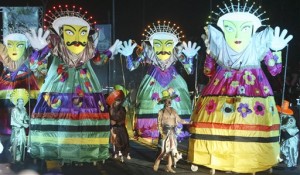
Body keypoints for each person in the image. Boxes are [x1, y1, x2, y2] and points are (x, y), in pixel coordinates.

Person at [188, 0, 293, 174]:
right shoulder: (218, 44)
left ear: (252, 29)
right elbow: (208, 70)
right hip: (222, 86)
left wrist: (276, 50)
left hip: (253, 87)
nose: (237, 34)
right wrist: (208, 54)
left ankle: (251, 159)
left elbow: (275, 70)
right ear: (222, 29)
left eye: (244, 28)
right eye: (229, 28)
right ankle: (219, 158)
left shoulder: (259, 44)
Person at [25, 4, 122, 164]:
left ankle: (85, 152)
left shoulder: (89, 48)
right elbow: (34, 64)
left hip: (87, 86)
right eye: (70, 31)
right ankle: (57, 151)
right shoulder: (54, 46)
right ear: (62, 33)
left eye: (82, 32)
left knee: (86, 120)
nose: (77, 38)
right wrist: (38, 51)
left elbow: (99, 60)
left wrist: (110, 51)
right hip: (58, 86)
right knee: (60, 119)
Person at [118, 20, 200, 141]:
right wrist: (128, 56)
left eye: (167, 44)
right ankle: (154, 133)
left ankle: (175, 131)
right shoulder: (148, 52)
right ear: (152, 44)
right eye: (157, 44)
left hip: (174, 80)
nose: (163, 49)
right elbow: (131, 67)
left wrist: (191, 58)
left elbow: (190, 70)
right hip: (152, 79)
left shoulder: (177, 52)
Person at [0, 24, 46, 135]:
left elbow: (39, 65)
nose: (14, 49)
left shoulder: (30, 65)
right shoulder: (5, 69)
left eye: (19, 45)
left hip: (26, 128)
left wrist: (39, 50)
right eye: (10, 45)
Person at [153, 88, 189, 173]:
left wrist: (188, 122)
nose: (169, 102)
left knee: (172, 150)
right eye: (167, 100)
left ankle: (169, 166)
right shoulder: (161, 112)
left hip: (172, 132)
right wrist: (162, 133)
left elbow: (179, 120)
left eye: (170, 100)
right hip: (165, 132)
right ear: (164, 102)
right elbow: (158, 124)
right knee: (164, 150)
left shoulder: (173, 110)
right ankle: (157, 163)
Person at [106, 89, 131, 162]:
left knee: (125, 140)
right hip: (114, 128)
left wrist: (116, 122)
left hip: (121, 127)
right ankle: (117, 152)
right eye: (117, 100)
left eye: (119, 101)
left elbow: (124, 118)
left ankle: (126, 153)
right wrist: (110, 122)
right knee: (116, 141)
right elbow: (108, 118)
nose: (118, 102)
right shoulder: (110, 109)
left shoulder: (123, 109)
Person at [277, 100, 299, 170]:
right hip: (286, 136)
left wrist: (277, 126)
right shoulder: (282, 118)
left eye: (281, 112)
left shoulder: (291, 119)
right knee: (283, 149)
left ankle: (293, 164)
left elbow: (286, 126)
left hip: (292, 137)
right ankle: (287, 161)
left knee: (292, 150)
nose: (280, 114)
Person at [9, 88, 30, 163]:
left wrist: (28, 121)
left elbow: (26, 117)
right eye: (20, 101)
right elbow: (15, 119)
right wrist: (23, 124)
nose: (21, 102)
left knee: (23, 143)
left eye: (22, 101)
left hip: (22, 129)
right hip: (16, 129)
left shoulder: (24, 109)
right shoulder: (14, 110)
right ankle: (14, 159)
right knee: (16, 143)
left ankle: (21, 159)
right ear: (17, 102)